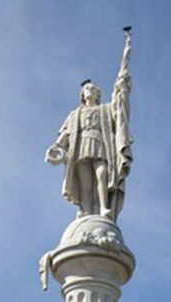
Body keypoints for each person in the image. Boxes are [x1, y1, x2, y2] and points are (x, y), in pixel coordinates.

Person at [45, 30, 132, 220]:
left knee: (102, 174)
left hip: (100, 144)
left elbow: (118, 106)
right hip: (82, 145)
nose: (89, 90)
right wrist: (57, 147)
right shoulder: (75, 114)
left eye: (92, 88)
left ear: (97, 93)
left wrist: (122, 86)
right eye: (86, 89)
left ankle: (103, 207)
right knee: (85, 180)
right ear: (82, 95)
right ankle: (85, 209)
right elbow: (66, 135)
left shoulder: (105, 109)